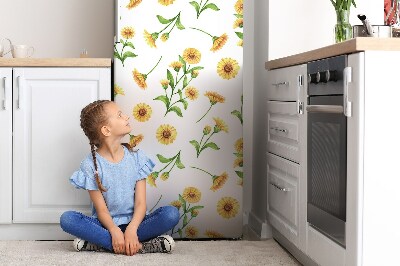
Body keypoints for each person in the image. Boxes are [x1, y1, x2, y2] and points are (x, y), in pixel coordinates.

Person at [60, 100, 179, 256]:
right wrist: (114, 230)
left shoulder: (137, 157)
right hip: (106, 226)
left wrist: (132, 228)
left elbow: (141, 203)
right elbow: (101, 210)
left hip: (137, 223)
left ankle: (104, 244)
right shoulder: (90, 165)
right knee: (67, 219)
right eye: (119, 115)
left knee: (171, 214)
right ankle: (142, 246)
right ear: (106, 130)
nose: (126, 116)